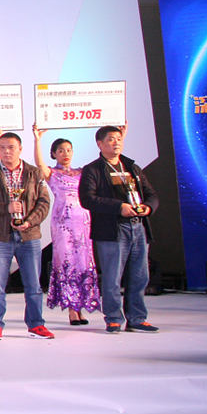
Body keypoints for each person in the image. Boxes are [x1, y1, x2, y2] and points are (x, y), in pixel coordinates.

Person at [79, 124, 159, 334]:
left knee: (140, 276)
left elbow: (151, 194)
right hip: (112, 230)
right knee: (112, 278)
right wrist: (118, 207)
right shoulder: (93, 169)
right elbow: (87, 199)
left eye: (119, 139)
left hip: (138, 227)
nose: (116, 143)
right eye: (111, 139)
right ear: (100, 144)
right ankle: (113, 318)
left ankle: (137, 318)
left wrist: (147, 207)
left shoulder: (132, 167)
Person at [0, 132, 54, 341]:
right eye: (2, 147)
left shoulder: (34, 173)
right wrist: (5, 208)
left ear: (20, 149)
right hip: (0, 236)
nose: (6, 151)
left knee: (33, 284)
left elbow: (44, 202)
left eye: (11, 147)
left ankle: (36, 325)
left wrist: (30, 221)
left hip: (29, 235)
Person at [33, 126, 100, 325]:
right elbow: (39, 163)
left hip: (83, 222)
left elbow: (102, 161)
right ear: (54, 153)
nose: (66, 154)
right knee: (67, 261)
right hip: (63, 222)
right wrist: (37, 140)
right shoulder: (52, 173)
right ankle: (72, 308)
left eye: (69, 150)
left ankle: (80, 306)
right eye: (61, 150)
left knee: (83, 262)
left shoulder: (82, 172)